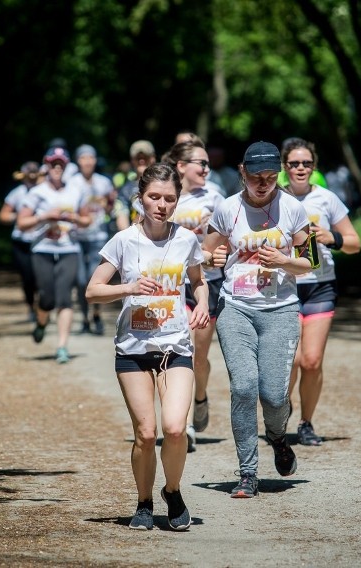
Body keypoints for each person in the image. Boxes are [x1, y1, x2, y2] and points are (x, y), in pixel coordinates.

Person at [85, 162, 209, 531]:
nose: (161, 204)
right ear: (140, 198)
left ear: (177, 201)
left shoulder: (186, 239)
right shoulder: (124, 240)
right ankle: (143, 502)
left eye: (169, 198)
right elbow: (92, 291)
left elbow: (199, 281)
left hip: (175, 349)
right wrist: (128, 288)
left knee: (174, 429)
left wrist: (201, 303)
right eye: (154, 197)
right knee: (145, 432)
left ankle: (172, 491)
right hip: (133, 350)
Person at [201, 140, 314, 498]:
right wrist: (211, 258)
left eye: (270, 177)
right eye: (256, 177)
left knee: (274, 395)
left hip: (280, 309)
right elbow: (204, 253)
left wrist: (284, 261)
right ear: (242, 172)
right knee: (245, 387)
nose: (263, 184)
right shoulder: (226, 209)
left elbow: (310, 262)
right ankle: (247, 472)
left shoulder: (293, 209)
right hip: (236, 307)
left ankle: (278, 436)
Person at [281, 138, 361, 446]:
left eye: (306, 163)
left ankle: (306, 423)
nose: (301, 168)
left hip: (320, 287)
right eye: (294, 164)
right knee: (290, 359)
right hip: (284, 287)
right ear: (284, 167)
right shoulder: (274, 200)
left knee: (311, 361)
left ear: (314, 167)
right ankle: (281, 412)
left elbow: (355, 243)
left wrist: (332, 237)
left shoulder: (327, 199)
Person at [161, 140, 227, 453]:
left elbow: (231, 235)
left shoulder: (215, 196)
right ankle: (184, 425)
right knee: (182, 350)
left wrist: (215, 242)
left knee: (199, 353)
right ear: (181, 166)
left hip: (207, 281)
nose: (205, 168)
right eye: (199, 163)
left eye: (206, 163)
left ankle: (200, 395)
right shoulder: (165, 196)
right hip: (173, 282)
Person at [16, 146, 92, 364]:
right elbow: (21, 223)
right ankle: (41, 322)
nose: (57, 167)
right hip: (43, 249)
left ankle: (62, 347)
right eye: (53, 163)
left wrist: (75, 219)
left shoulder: (76, 191)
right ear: (46, 166)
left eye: (61, 164)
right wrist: (45, 217)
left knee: (65, 299)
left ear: (66, 166)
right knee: (47, 298)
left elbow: (87, 219)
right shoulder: (37, 193)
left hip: (69, 249)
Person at [69, 144, 114, 335]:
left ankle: (96, 314)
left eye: (90, 158)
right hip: (76, 238)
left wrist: (108, 205)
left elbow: (112, 203)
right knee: (80, 280)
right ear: (78, 161)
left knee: (94, 278)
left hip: (98, 236)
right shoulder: (72, 182)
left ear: (95, 161)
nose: (87, 162)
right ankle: (85, 317)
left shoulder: (103, 182)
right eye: (83, 158)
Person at [0, 161, 43, 321]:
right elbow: (3, 215)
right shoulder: (16, 194)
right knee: (27, 277)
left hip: (41, 241)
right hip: (21, 242)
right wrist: (20, 217)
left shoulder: (44, 192)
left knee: (41, 276)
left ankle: (42, 307)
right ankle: (31, 307)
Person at [113, 140, 157, 232]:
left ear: (153, 158)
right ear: (132, 160)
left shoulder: (164, 184)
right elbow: (121, 215)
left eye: (145, 158)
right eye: (138, 158)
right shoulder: (125, 189)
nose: (141, 161)